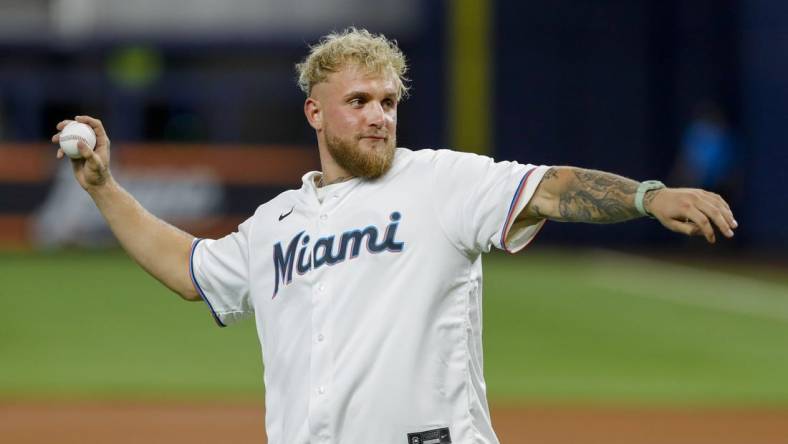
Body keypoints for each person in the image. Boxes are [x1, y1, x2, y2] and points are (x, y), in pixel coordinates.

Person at [51, 28, 736, 444]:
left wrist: (649, 196)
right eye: (359, 102)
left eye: (387, 102)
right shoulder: (276, 225)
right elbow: (192, 270)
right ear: (315, 113)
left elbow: (551, 187)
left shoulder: (439, 183)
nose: (378, 116)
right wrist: (105, 191)